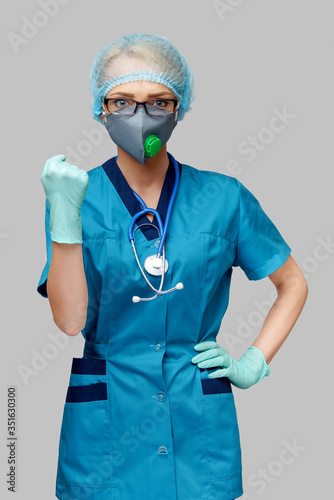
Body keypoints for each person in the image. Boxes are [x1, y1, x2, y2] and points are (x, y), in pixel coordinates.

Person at [37, 33, 308, 500]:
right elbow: (69, 321)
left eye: (158, 101)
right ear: (100, 108)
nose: (141, 117)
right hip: (108, 419)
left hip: (196, 416)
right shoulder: (76, 197)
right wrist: (64, 218)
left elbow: (293, 284)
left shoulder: (224, 197)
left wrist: (253, 362)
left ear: (179, 107)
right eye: (122, 101)